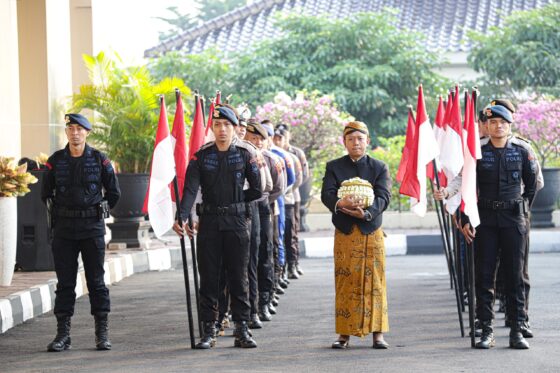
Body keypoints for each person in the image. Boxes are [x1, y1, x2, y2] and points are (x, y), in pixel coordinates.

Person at [173, 104, 261, 349]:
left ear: (234, 128)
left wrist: (235, 203)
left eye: (226, 125)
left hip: (236, 223)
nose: (222, 129)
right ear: (212, 128)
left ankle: (242, 329)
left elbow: (257, 189)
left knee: (238, 277)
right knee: (209, 278)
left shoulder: (245, 154)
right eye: (217, 125)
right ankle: (209, 330)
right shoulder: (202, 156)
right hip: (209, 223)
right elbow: (190, 189)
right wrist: (182, 215)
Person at [41, 113, 121, 352]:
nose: (75, 133)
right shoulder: (55, 161)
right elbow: (45, 195)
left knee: (96, 282)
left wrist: (100, 209)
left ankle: (101, 334)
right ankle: (63, 335)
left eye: (79, 129)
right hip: (64, 230)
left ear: (87, 132)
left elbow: (114, 193)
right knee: (65, 284)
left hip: (91, 229)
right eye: (71, 129)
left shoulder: (99, 160)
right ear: (66, 132)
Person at [460, 105, 537, 349]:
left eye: (503, 122)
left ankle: (517, 330)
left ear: (510, 124)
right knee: (484, 276)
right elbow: (467, 186)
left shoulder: (523, 150)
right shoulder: (477, 152)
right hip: (485, 220)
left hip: (513, 219)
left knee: (514, 275)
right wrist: (465, 218)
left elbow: (532, 185)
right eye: (493, 122)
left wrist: (521, 209)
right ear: (486, 125)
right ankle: (486, 330)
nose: (498, 126)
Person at [321, 121, 392, 349]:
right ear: (345, 142)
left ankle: (378, 334)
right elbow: (327, 194)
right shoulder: (334, 166)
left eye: (360, 139)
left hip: (371, 231)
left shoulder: (379, 167)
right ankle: (344, 334)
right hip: (345, 231)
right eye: (351, 139)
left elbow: (384, 197)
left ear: (367, 141)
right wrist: (341, 202)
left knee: (376, 282)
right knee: (345, 281)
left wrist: (368, 214)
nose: (356, 143)